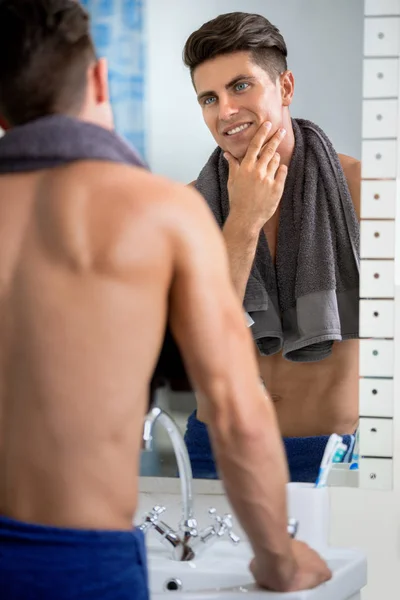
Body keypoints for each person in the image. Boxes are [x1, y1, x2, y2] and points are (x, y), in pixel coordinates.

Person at [0, 1, 331, 598]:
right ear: (99, 79)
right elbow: (232, 409)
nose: (224, 110)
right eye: (209, 96)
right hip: (81, 562)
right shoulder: (156, 212)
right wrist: (278, 559)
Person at [182, 12, 361, 482]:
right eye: (209, 98)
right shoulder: (185, 209)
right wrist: (242, 220)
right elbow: (199, 339)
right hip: (216, 450)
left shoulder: (362, 190)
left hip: (329, 452)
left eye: (241, 86)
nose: (225, 111)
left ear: (284, 87)